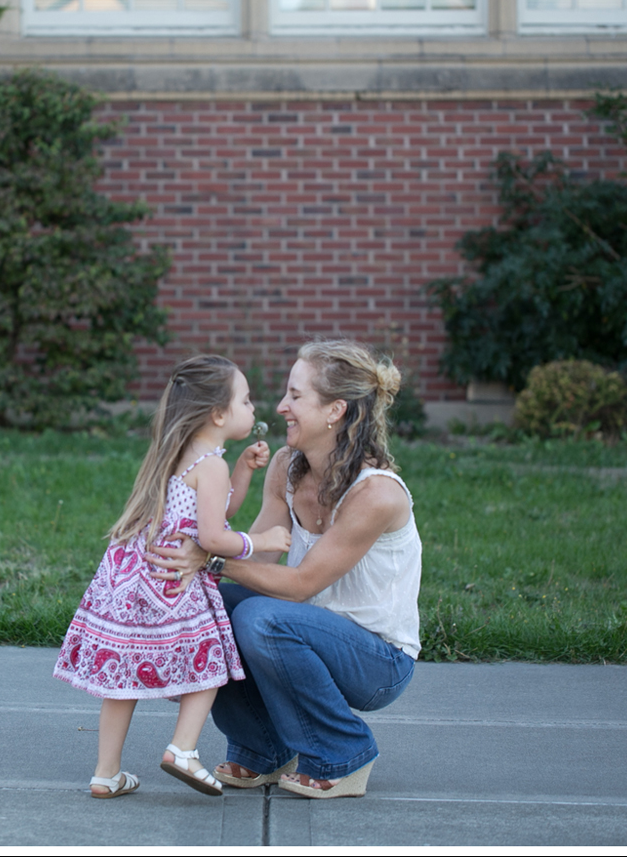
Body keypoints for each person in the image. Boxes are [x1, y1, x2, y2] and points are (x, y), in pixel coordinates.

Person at [146, 340, 422, 799]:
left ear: (335, 410)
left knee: (261, 619)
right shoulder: (286, 467)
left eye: (295, 396)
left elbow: (300, 585)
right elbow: (256, 562)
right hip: (302, 631)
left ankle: (343, 754)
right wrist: (184, 597)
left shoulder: (377, 495)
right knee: (215, 605)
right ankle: (261, 749)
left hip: (378, 661)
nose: (280, 407)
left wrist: (211, 558)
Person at [53, 354, 292, 799]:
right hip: (172, 584)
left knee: (121, 679)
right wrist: (264, 542)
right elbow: (215, 536)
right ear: (219, 414)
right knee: (210, 664)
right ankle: (183, 748)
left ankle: (106, 774)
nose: (254, 408)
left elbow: (215, 511)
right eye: (246, 399)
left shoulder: (176, 453)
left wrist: (243, 469)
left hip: (130, 583)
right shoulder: (211, 467)